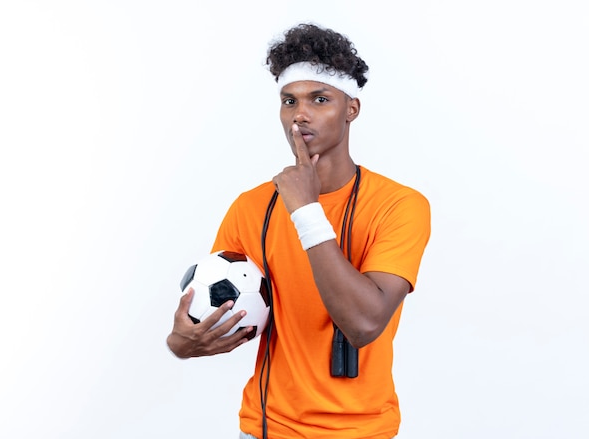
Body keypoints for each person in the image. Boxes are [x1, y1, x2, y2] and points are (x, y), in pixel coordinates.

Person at [167, 23, 431, 439]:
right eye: (289, 101)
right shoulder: (251, 207)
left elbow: (364, 323)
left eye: (319, 99)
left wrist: (306, 209)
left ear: (352, 109)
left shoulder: (399, 205)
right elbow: (222, 317)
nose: (300, 114)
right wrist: (182, 343)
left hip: (361, 431)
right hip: (266, 428)